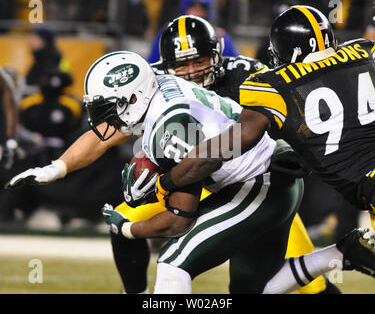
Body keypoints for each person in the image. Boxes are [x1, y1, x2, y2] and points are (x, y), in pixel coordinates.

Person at [6, 51, 375, 294]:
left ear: (132, 99)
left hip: (258, 182)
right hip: (266, 175)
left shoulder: (172, 128)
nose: (103, 119)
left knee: (173, 264)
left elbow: (179, 220)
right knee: (252, 290)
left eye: (107, 108)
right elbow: (99, 138)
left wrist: (127, 226)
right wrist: (56, 169)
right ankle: (342, 254)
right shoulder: (156, 92)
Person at [115, 15, 340, 294]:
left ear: (217, 54)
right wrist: (60, 166)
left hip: (254, 179)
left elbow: (287, 122)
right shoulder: (155, 85)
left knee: (297, 286)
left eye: (198, 61)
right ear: (165, 66)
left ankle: (341, 256)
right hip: (201, 178)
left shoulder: (247, 75)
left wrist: (164, 182)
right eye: (181, 64)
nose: (191, 72)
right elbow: (110, 130)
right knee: (124, 218)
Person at [144, 5, 375, 272]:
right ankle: (343, 254)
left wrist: (168, 180)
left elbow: (217, 152)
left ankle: (343, 254)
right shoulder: (364, 50)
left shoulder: (271, 85)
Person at [147, 0, 239, 63]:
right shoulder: (169, 34)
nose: (197, 12)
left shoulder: (220, 36)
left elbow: (234, 63)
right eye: (193, 7)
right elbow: (153, 64)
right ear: (185, 8)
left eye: (202, 8)